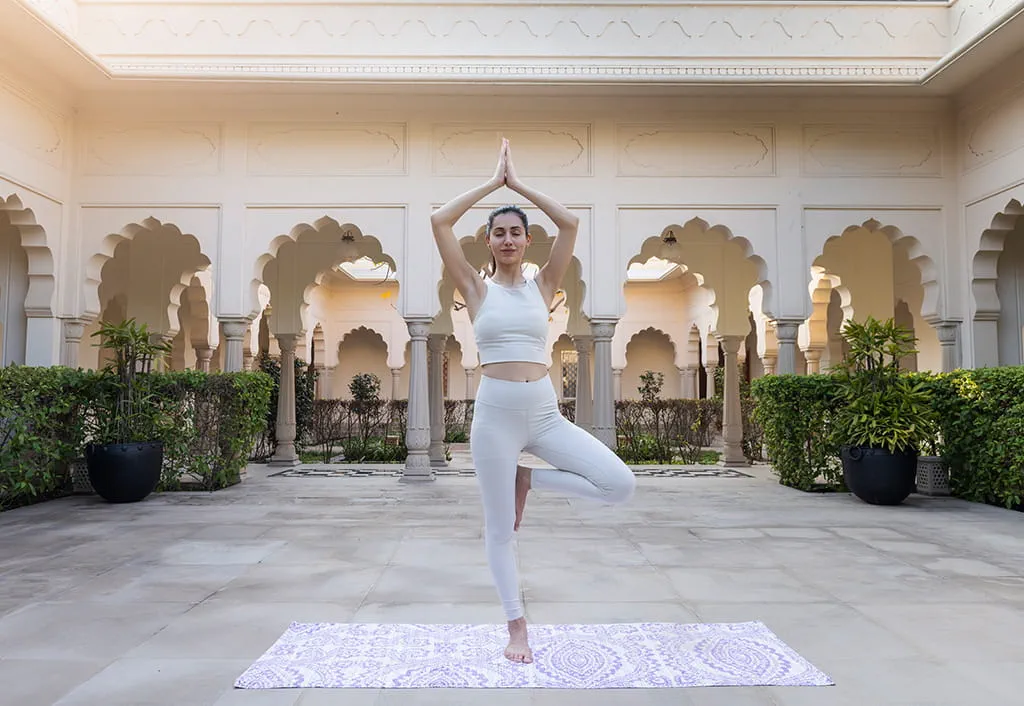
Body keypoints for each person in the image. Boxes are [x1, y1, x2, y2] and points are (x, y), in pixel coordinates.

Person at [429, 138, 637, 664]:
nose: (506, 239)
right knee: (500, 530)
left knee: (618, 485)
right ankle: (516, 625)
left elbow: (569, 224)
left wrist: (517, 186)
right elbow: (438, 222)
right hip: (495, 413)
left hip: (544, 410)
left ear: (525, 240)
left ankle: (528, 478)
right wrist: (490, 185)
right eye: (498, 232)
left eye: (515, 232)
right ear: (488, 240)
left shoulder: (545, 285)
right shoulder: (475, 289)